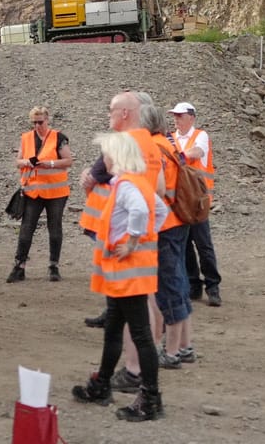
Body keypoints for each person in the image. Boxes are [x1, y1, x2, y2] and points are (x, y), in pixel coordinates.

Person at [69, 131, 165, 422]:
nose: (104, 159)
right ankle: (102, 384)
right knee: (114, 329)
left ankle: (150, 399)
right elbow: (159, 211)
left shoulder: (125, 185)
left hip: (127, 275)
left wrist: (134, 242)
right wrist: (143, 239)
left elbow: (140, 211)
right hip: (124, 274)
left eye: (107, 153)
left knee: (140, 335)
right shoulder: (134, 182)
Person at [79, 92, 143, 330]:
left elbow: (107, 169)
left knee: (117, 267)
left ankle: (116, 314)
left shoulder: (128, 142)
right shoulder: (124, 139)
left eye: (111, 110)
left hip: (117, 218)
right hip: (109, 215)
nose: (108, 115)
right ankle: (114, 312)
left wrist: (94, 175)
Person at [140, 101, 192, 371]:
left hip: (166, 224)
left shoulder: (154, 147)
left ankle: (171, 352)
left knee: (169, 286)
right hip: (179, 220)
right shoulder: (168, 142)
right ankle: (184, 345)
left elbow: (156, 190)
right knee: (180, 282)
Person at [9, 106, 72, 283]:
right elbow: (18, 161)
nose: (37, 125)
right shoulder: (26, 138)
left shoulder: (59, 138)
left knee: (54, 228)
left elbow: (68, 161)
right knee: (26, 229)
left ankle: (54, 267)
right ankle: (19, 266)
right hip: (33, 191)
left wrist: (49, 164)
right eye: (34, 122)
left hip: (56, 192)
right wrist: (27, 162)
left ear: (47, 120)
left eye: (40, 122)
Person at [170, 101, 221, 309]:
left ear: (191, 117)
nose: (176, 119)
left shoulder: (200, 135)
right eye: (175, 116)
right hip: (180, 200)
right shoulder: (171, 138)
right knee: (184, 246)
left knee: (203, 244)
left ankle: (213, 287)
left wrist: (179, 156)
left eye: (180, 116)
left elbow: (198, 152)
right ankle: (193, 284)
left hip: (198, 200)